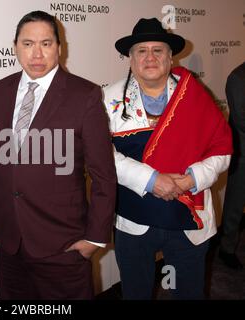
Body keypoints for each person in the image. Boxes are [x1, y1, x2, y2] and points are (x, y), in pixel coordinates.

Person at [0, 10, 117, 300]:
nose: (36, 54)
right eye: (28, 44)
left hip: (63, 243)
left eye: (46, 43)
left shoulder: (84, 95)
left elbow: (104, 174)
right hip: (9, 240)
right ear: (15, 46)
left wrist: (94, 238)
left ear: (59, 48)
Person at [103, 17, 233, 299]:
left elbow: (222, 150)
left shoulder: (195, 96)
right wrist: (151, 180)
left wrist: (192, 179)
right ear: (130, 58)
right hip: (134, 221)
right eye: (141, 51)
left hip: (187, 218)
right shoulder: (107, 100)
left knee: (187, 293)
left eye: (158, 50)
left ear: (170, 56)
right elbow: (100, 156)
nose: (150, 57)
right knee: (136, 294)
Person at [219, 61, 245, 269]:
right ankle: (226, 249)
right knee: (236, 204)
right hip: (243, 153)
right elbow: (240, 119)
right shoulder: (237, 77)